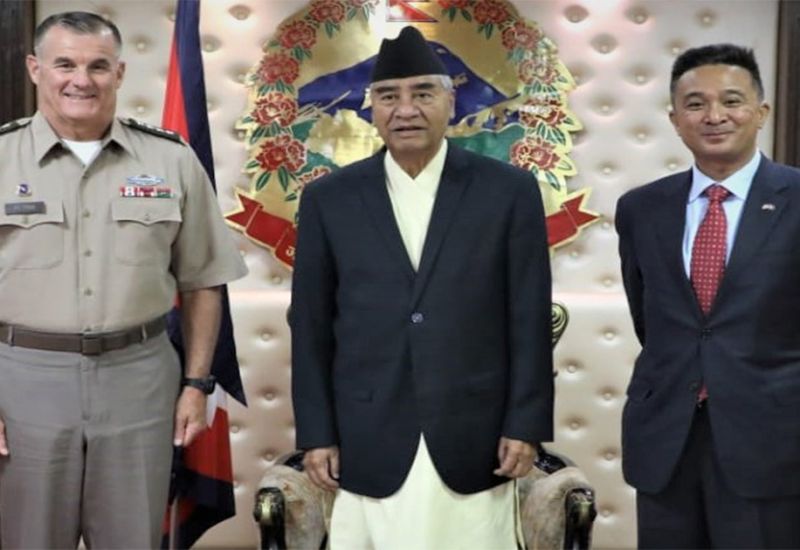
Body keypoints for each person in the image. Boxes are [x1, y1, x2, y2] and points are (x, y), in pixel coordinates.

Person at [291, 26, 553, 549]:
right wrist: (317, 434)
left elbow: (528, 318)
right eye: (389, 96)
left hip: (475, 432)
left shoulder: (508, 192)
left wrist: (525, 424)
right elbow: (311, 325)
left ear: (451, 102)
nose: (405, 109)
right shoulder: (330, 199)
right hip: (368, 430)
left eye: (423, 93)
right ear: (371, 108)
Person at [0, 12, 247, 548]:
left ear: (119, 73)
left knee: (132, 537)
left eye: (97, 66)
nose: (81, 80)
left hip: (139, 380)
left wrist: (197, 384)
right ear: (35, 69)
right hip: (22, 382)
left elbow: (203, 282)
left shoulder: (171, 159)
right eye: (64, 64)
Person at [616, 43, 800, 548]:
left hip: (772, 442)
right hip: (666, 438)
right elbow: (648, 317)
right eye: (695, 104)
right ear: (675, 120)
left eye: (732, 101)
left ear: (761, 112)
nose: (714, 116)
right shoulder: (641, 209)